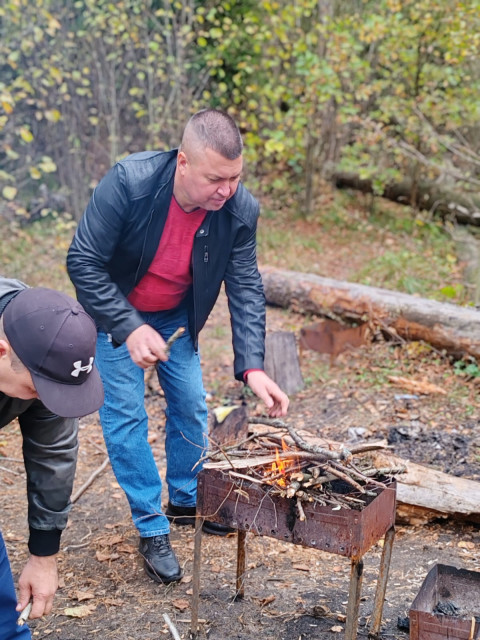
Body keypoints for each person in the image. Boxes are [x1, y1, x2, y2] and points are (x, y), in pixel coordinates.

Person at [66, 108, 289, 585]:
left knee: (190, 406)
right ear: (183, 163)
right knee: (125, 416)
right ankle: (151, 526)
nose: (225, 190)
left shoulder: (238, 209)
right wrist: (127, 326)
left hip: (176, 320)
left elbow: (245, 286)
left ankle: (186, 499)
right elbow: (83, 261)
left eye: (234, 178)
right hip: (115, 315)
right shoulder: (131, 182)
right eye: (215, 178)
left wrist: (253, 367)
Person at [0, 276, 104, 639]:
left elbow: (54, 452)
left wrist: (44, 555)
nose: (48, 401)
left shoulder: (46, 347)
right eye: (36, 389)